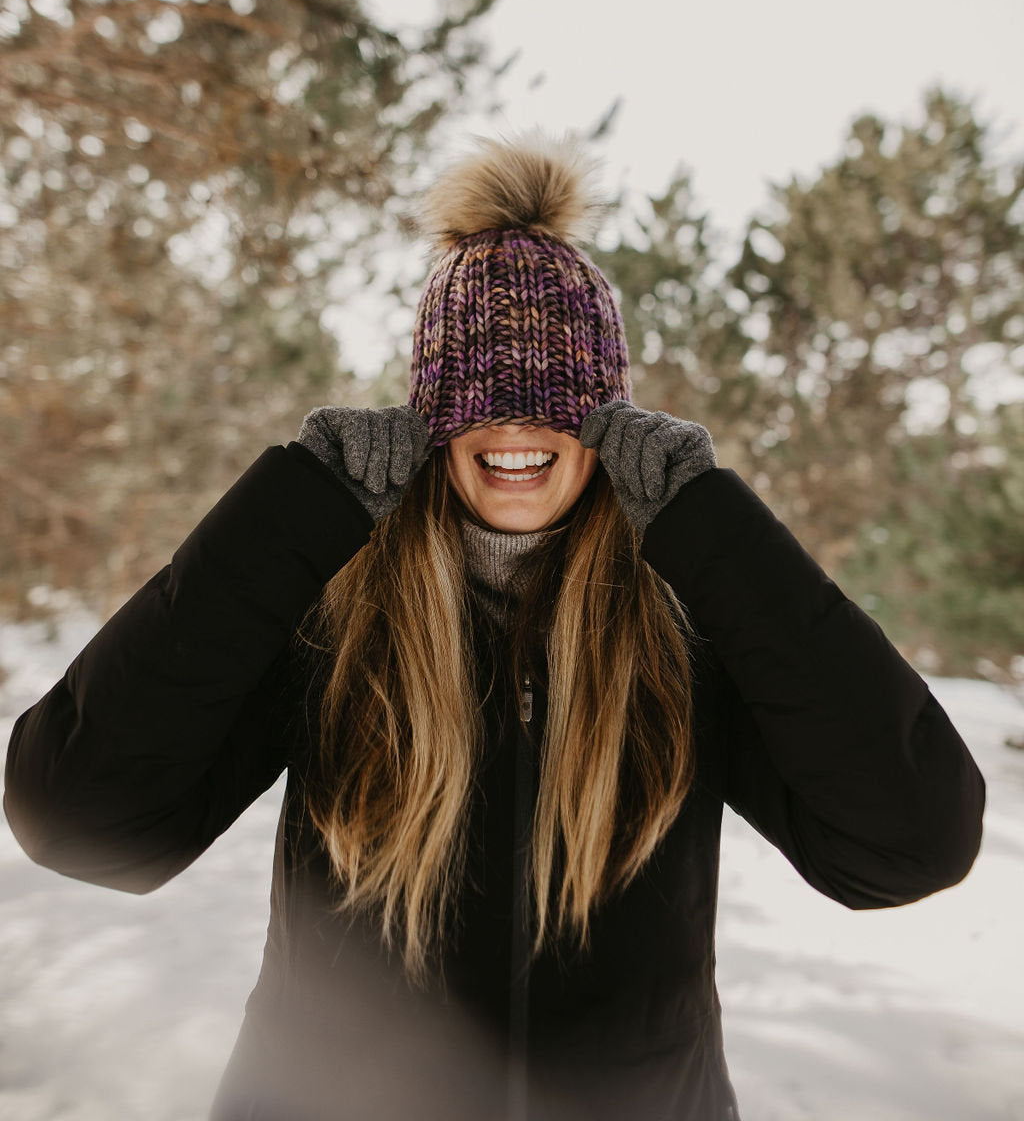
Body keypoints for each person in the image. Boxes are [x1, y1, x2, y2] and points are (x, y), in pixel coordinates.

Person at [3, 133, 985, 1121]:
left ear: (610, 423)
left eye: (554, 399)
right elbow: (80, 820)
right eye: (480, 395)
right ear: (431, 415)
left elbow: (910, 842)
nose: (516, 429)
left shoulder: (688, 635)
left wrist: (717, 532)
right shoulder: (330, 619)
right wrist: (288, 516)